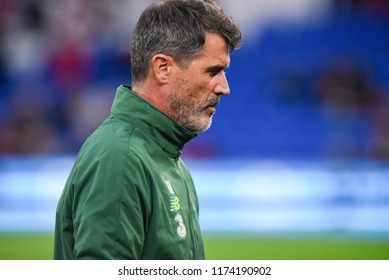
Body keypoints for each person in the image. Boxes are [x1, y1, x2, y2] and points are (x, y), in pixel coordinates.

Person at [54, 0, 242, 260]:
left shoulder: (168, 161)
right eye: (213, 71)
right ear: (163, 68)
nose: (224, 87)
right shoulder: (120, 157)